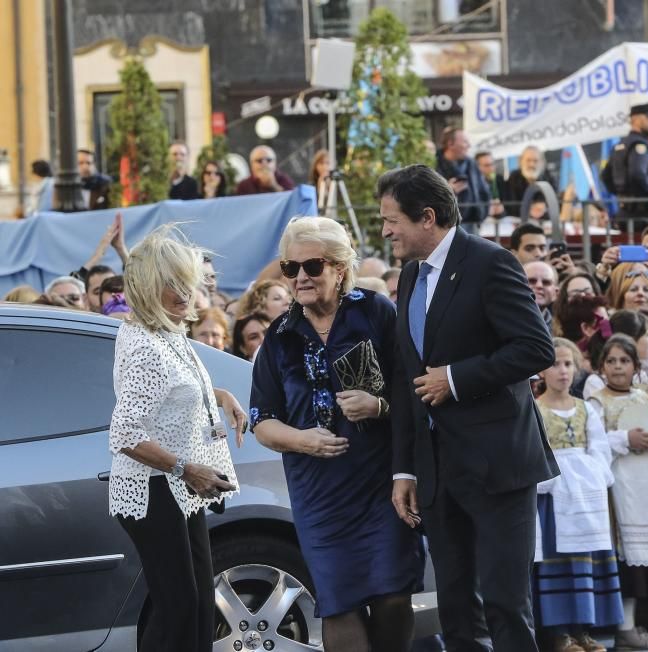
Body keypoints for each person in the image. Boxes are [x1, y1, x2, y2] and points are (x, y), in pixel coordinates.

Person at [381, 164, 558, 652]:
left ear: (428, 217)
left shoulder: (489, 262)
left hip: (497, 464)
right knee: (457, 608)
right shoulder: (412, 275)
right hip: (437, 472)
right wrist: (405, 470)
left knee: (505, 603)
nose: (385, 231)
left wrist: (455, 379)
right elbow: (405, 377)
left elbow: (535, 348)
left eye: (391, 219)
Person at [250, 216, 423, 652]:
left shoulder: (375, 312)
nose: (301, 278)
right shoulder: (280, 336)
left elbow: (414, 392)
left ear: (340, 267)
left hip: (381, 482)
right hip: (319, 493)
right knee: (339, 600)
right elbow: (262, 422)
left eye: (313, 266)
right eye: (291, 269)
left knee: (392, 595)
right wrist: (302, 439)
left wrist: (378, 405)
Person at [109, 225, 244, 652]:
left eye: (184, 281)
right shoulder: (146, 345)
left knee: (200, 602)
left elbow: (175, 388)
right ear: (148, 288)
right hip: (153, 489)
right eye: (168, 283)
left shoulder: (166, 332)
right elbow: (125, 433)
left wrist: (220, 396)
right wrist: (187, 469)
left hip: (176, 485)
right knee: (179, 606)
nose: (182, 292)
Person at [534, 338, 623, 652]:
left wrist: (592, 476)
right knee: (557, 562)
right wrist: (553, 478)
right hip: (553, 496)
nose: (562, 371)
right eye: (555, 364)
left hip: (584, 496)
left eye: (568, 363)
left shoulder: (586, 409)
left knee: (585, 561)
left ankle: (583, 629)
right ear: (541, 371)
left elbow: (599, 449)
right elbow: (534, 451)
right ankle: (559, 633)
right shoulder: (536, 409)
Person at [586, 334, 648, 649]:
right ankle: (625, 628)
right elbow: (592, 441)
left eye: (624, 361)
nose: (618, 367)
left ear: (636, 366)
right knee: (626, 558)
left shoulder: (645, 397)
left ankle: (637, 624)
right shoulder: (597, 401)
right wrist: (624, 439)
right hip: (620, 486)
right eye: (611, 361)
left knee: (645, 563)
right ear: (601, 367)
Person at [600, 103, 648, 230]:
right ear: (636, 119)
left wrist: (622, 195)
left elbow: (605, 176)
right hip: (643, 214)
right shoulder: (640, 145)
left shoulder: (619, 146)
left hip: (624, 212)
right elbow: (637, 173)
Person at [436, 127, 491, 231]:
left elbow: (484, 192)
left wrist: (481, 213)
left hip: (472, 225)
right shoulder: (433, 164)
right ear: (450, 144)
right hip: (444, 228)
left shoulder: (472, 164)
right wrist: (447, 190)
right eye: (465, 142)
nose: (469, 146)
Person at [502, 146, 556, 215]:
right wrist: (529, 210)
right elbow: (510, 206)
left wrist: (544, 208)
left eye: (535, 161)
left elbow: (554, 203)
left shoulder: (548, 178)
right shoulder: (513, 178)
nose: (532, 164)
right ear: (521, 161)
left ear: (542, 163)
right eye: (528, 160)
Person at [525, 260, 559, 333]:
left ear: (555, 293)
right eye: (531, 281)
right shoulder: (501, 322)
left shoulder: (564, 330)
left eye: (546, 282)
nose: (539, 285)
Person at [311, 149, 333, 213]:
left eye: (327, 163)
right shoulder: (310, 186)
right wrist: (319, 188)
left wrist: (329, 187)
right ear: (315, 166)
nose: (325, 166)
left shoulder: (336, 183)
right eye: (321, 163)